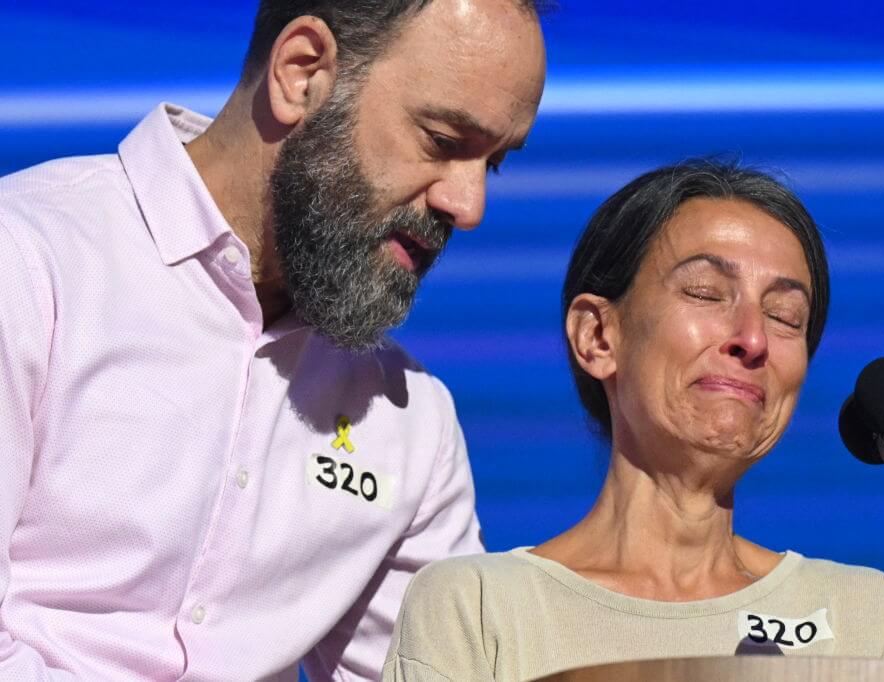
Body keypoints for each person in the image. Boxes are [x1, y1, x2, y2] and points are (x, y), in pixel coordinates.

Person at [0, 1, 545, 679]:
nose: (468, 207)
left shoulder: (412, 421)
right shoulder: (25, 264)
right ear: (302, 72)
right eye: (441, 139)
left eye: (492, 165)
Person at [383, 160, 884, 681]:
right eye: (706, 293)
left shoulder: (864, 618)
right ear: (598, 337)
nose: (753, 339)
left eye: (785, 317)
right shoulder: (477, 609)